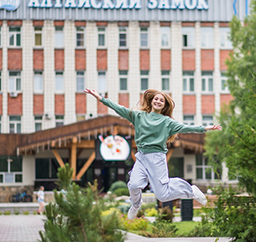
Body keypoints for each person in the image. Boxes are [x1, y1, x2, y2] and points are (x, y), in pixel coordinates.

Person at [84, 88, 222, 220]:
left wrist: (205, 128)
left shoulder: (167, 122)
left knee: (162, 195)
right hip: (142, 157)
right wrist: (100, 98)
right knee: (133, 185)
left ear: (164, 105)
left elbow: (186, 128)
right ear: (151, 101)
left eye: (161, 100)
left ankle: (191, 191)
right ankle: (136, 204)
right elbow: (119, 108)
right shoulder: (139, 116)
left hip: (157, 158)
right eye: (156, 99)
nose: (158, 101)